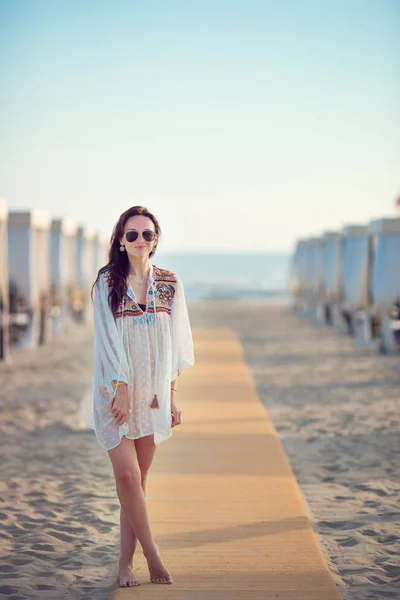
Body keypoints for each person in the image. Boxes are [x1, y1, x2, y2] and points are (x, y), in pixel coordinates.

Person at [90, 205, 195, 587]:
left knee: (137, 484)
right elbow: (106, 340)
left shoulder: (169, 283)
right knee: (128, 477)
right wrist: (119, 387)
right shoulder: (107, 283)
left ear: (155, 240)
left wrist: (171, 396)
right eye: (131, 234)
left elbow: (176, 343)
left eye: (147, 234)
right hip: (115, 394)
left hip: (152, 397)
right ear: (120, 240)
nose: (139, 240)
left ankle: (124, 564)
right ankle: (153, 557)